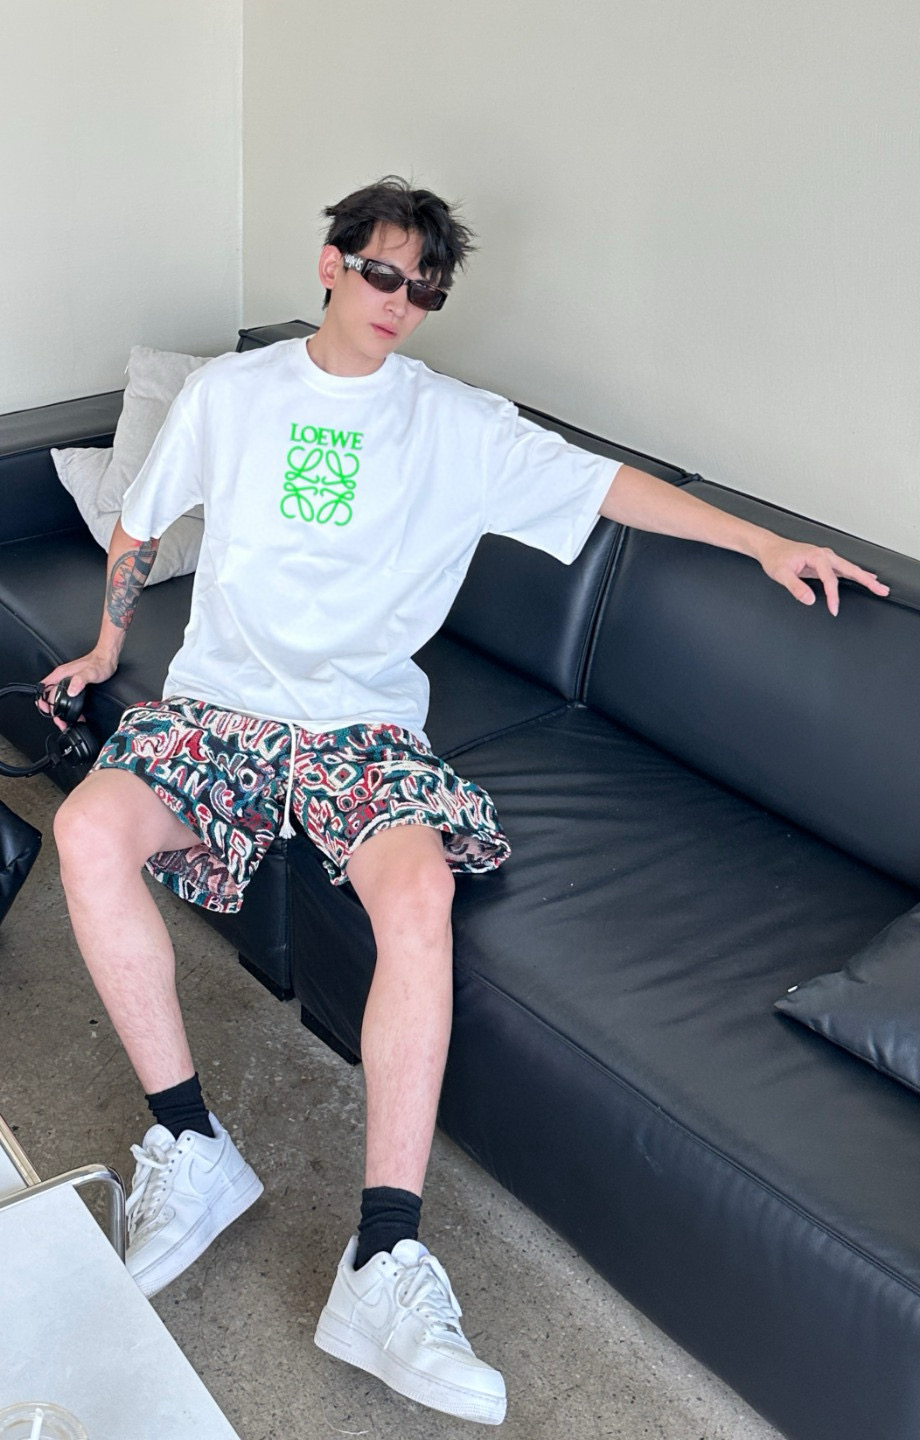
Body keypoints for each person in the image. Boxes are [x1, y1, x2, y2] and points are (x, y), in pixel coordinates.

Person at [43, 176, 888, 1426]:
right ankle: (189, 1143)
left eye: (426, 289)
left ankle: (384, 1258)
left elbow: (606, 487)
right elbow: (143, 526)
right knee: (86, 830)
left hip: (365, 728)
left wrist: (759, 542)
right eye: (385, 273)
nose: (402, 302)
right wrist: (109, 650)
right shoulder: (232, 394)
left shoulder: (456, 424)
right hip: (222, 706)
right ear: (332, 264)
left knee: (419, 893)